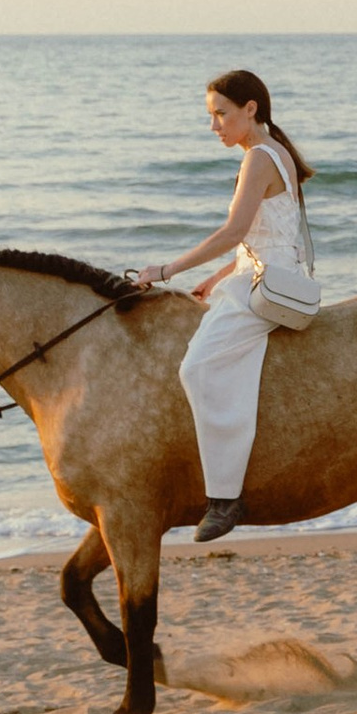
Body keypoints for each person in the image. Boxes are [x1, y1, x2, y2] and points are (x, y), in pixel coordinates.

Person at [134, 69, 320, 544]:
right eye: (210, 116)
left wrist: (166, 269)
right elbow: (266, 235)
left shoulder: (260, 156)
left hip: (265, 283)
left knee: (197, 368)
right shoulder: (273, 151)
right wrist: (214, 278)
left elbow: (233, 233)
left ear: (250, 109)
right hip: (263, 272)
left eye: (221, 114)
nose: (214, 125)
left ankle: (225, 496)